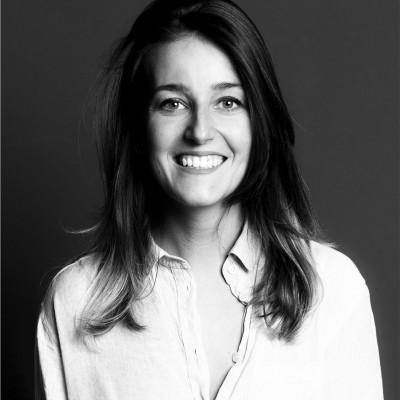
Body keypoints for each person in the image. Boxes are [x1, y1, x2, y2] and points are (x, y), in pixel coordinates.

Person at [36, 0, 383, 399]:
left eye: (228, 102)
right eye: (173, 103)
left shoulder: (332, 290)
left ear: (260, 124)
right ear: (139, 128)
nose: (200, 131)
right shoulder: (75, 302)